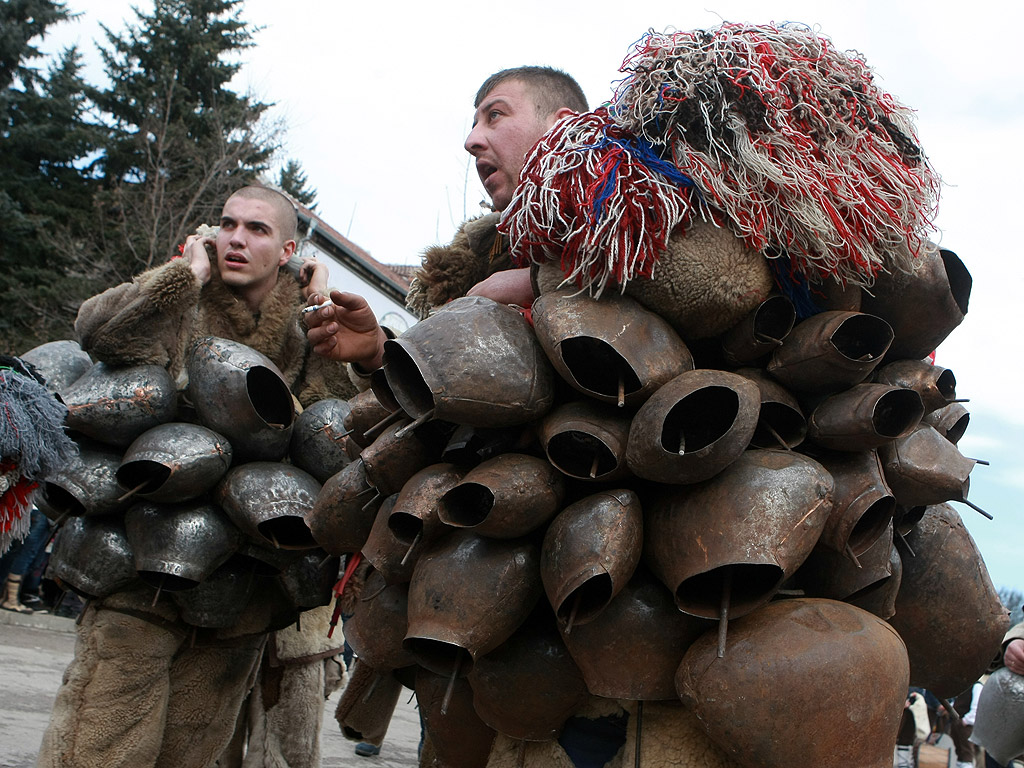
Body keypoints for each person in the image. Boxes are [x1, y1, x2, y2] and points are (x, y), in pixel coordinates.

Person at [37, 185, 356, 768]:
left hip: (245, 580)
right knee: (100, 737)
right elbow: (99, 333)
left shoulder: (307, 326)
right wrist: (180, 276)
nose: (236, 238)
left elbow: (331, 428)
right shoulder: (183, 296)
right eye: (229, 224)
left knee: (194, 744)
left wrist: (323, 317)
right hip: (139, 554)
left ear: (287, 248)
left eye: (257, 230)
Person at [304, 66, 587, 373]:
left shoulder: (634, 209)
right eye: (474, 123)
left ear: (563, 126)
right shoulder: (474, 257)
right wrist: (376, 351)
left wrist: (536, 282)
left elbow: (643, 276)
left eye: (495, 115)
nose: (471, 141)